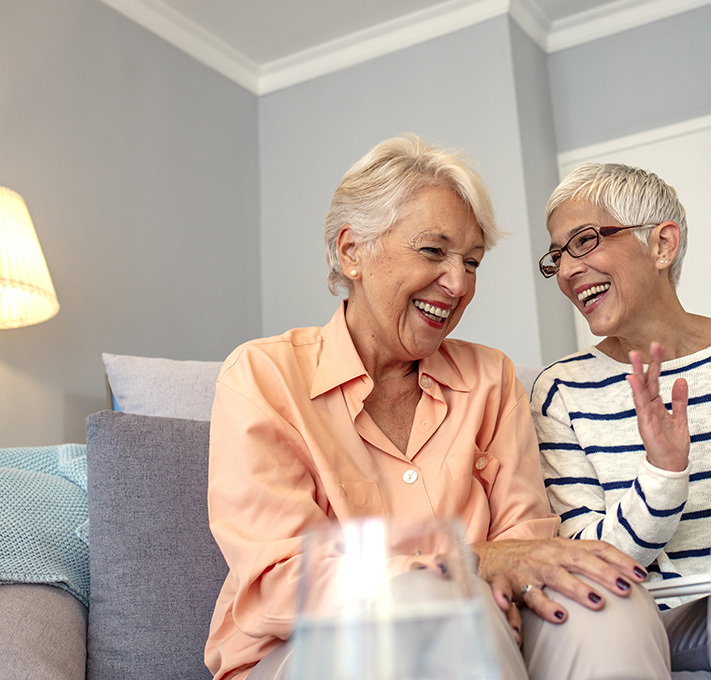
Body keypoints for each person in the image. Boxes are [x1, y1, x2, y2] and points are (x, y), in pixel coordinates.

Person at [204, 136, 674, 680]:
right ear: (352, 251)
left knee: (603, 602)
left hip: (489, 628)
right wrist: (467, 563)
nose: (457, 284)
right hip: (303, 653)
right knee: (439, 610)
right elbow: (281, 581)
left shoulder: (490, 378)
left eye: (471, 262)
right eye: (433, 251)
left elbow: (526, 543)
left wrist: (499, 569)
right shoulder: (263, 376)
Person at [530, 162, 711, 671]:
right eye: (556, 255)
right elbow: (588, 564)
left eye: (585, 241)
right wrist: (662, 476)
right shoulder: (561, 391)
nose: (566, 270)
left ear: (661, 245)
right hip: (660, 624)